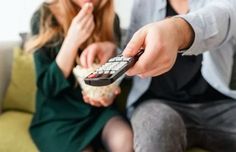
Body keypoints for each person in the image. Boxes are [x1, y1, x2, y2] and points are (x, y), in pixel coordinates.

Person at [120, 0, 236, 152]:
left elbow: (224, 16)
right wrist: (112, 51)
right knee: (156, 131)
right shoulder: (143, 3)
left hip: (218, 103)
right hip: (158, 103)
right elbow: (129, 48)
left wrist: (177, 31)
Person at [26, 0, 133, 152]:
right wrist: (72, 41)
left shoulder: (110, 19)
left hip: (98, 113)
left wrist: (107, 94)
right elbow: (48, 87)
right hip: (58, 117)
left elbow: (111, 79)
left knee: (126, 141)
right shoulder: (44, 16)